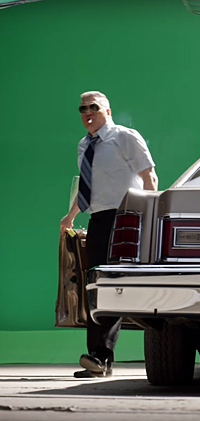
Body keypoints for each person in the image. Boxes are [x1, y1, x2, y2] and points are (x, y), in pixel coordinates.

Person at [60, 91, 158, 378]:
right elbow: (88, 186)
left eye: (94, 107)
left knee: (117, 282)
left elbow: (149, 176)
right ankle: (99, 358)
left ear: (108, 111)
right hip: (99, 220)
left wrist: (148, 217)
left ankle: (107, 354)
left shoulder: (125, 137)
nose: (87, 112)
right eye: (82, 109)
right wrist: (70, 215)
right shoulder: (84, 145)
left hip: (126, 216)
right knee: (98, 284)